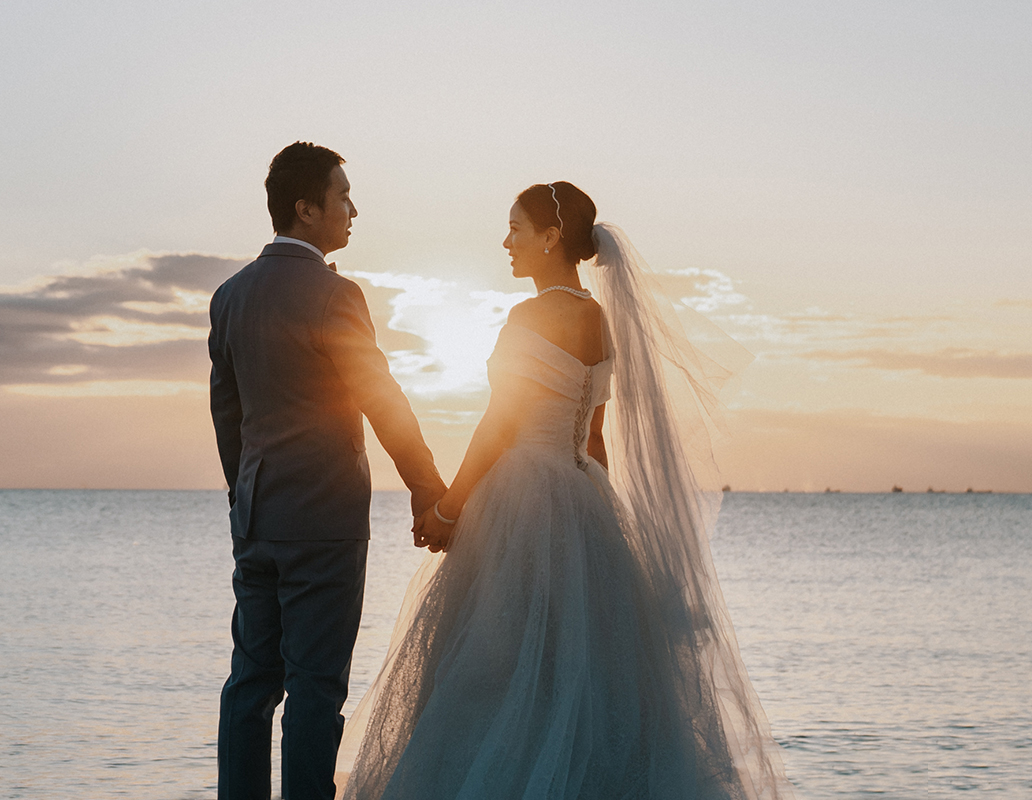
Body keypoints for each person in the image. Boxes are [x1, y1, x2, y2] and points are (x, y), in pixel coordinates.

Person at [337, 182, 795, 799]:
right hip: (584, 495)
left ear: (551, 237)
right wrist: (598, 508)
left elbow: (501, 425)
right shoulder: (599, 322)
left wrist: (449, 506)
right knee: (579, 677)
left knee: (496, 671)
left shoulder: (529, 317)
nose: (506, 242)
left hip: (522, 497)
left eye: (516, 229)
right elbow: (595, 438)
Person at [209, 141, 446, 800]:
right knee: (316, 687)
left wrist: (243, 497)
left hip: (256, 519)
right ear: (307, 208)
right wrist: (428, 487)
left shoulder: (230, 297)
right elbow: (380, 398)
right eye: (343, 197)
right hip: (323, 523)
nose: (353, 210)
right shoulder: (335, 294)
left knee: (250, 683)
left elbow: (227, 417)